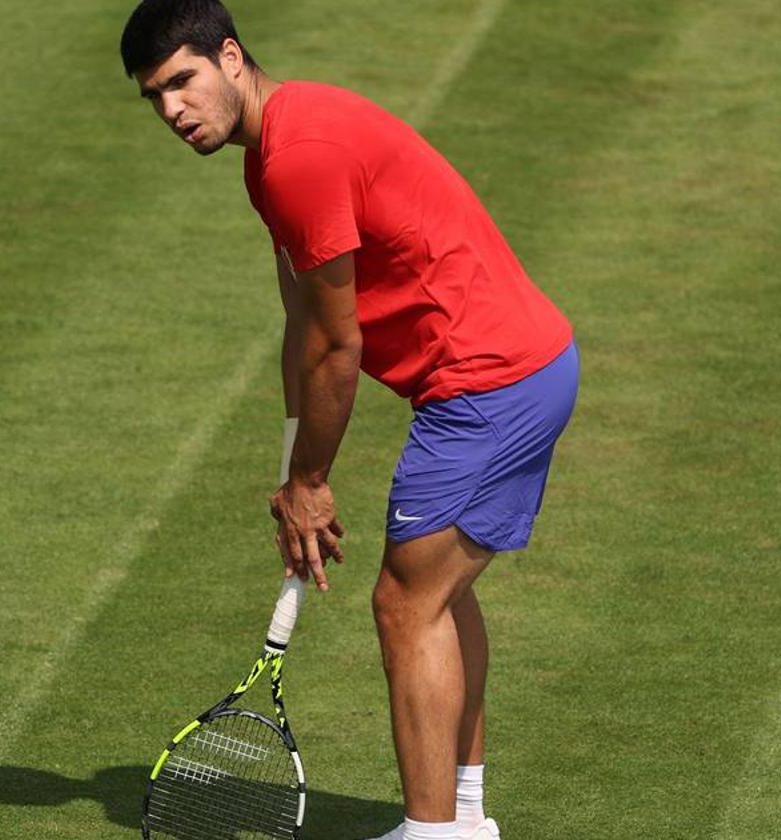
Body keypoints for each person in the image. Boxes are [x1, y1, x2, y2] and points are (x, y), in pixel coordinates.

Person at [121, 2, 579, 838]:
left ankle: (433, 833)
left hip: (486, 388)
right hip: (520, 370)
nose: (172, 111)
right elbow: (302, 322)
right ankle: (466, 819)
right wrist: (295, 466)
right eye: (155, 97)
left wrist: (311, 485)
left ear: (229, 56)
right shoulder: (274, 155)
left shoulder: (298, 159)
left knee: (406, 606)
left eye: (182, 82)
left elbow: (339, 344)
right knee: (439, 594)